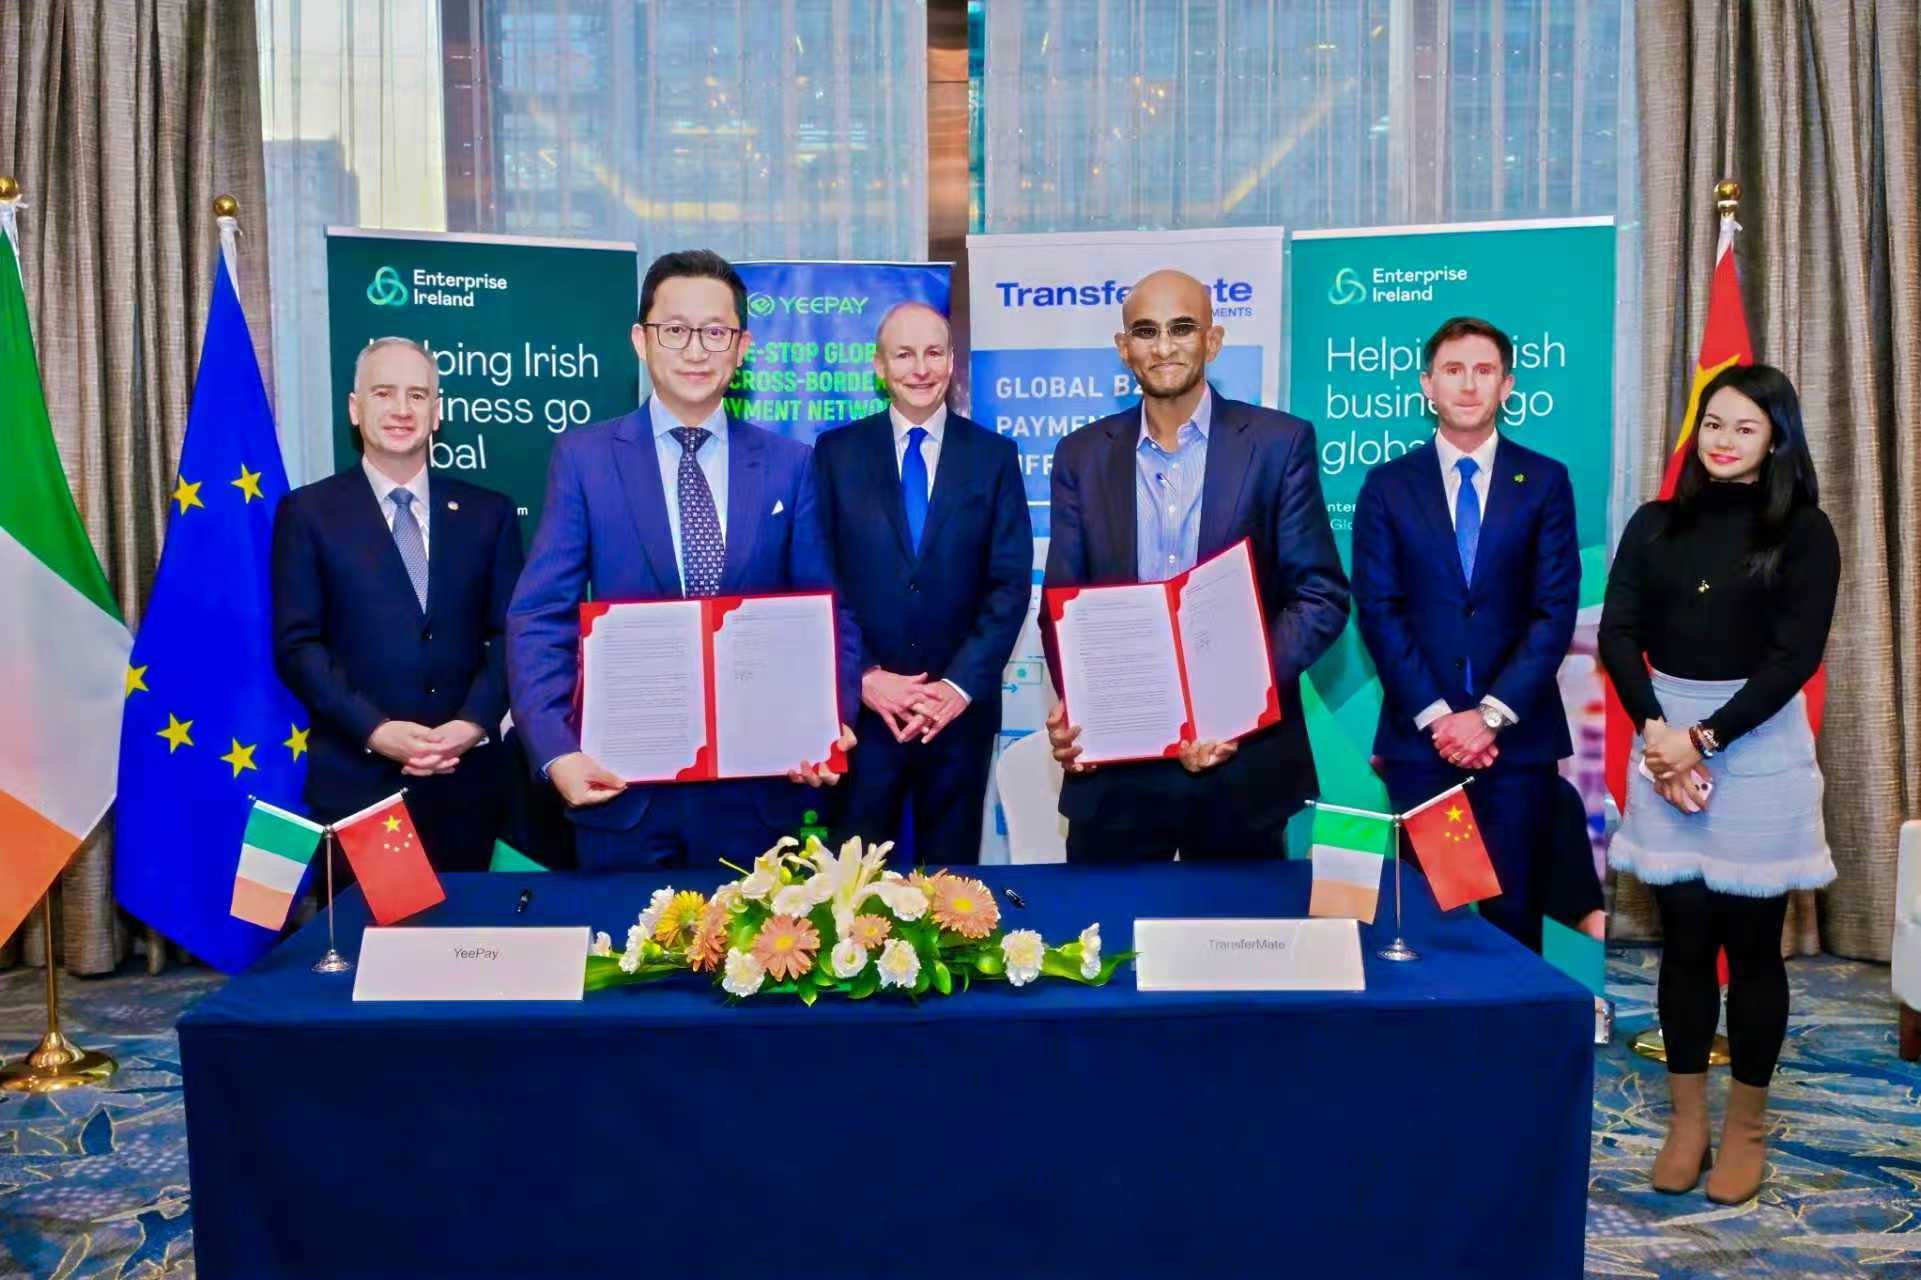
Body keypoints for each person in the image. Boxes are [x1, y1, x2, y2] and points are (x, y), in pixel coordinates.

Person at [505, 249, 857, 871]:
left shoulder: (790, 465)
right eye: (675, 330)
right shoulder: (585, 459)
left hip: (760, 795)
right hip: (621, 791)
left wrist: (829, 721)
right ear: (641, 340)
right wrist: (557, 751)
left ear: (742, 348)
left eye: (715, 332)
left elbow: (828, 614)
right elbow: (540, 616)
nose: (696, 350)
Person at [1600, 362, 1838, 1204]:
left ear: (1775, 439)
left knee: (1752, 945)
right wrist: (1658, 734)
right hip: (1662, 742)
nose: (1723, 440)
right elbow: (1618, 632)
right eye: (1712, 423)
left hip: (1755, 744)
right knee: (1685, 940)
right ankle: (1686, 1122)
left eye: (1744, 427)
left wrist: (1703, 739)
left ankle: (1745, 1129)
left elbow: (1793, 658)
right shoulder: (1654, 523)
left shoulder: (1803, 531)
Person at [1042, 269, 1349, 861]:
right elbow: (1064, 607)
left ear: (1213, 340)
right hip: (1118, 778)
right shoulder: (1080, 456)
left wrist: (1232, 701)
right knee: (1110, 924)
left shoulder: (1278, 444)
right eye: (1145, 331)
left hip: (1243, 768)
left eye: (1182, 328)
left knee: (1239, 923)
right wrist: (1083, 707)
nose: (1163, 346)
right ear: (1123, 347)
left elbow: (1320, 597)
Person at [1350, 316, 1581, 952]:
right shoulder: (1389, 487)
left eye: (1484, 371)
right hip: (1425, 750)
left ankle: (1514, 1024)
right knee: (1435, 921)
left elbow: (1553, 611)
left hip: (1516, 748)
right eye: (1454, 370)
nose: (1469, 385)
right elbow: (1379, 610)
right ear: (1428, 385)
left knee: (1513, 920)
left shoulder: (1544, 481)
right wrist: (1441, 720)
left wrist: (1490, 717)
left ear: (1507, 385)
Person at [272, 337, 525, 870]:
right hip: (360, 786)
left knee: (471, 925)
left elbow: (513, 634)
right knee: (368, 926)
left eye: (417, 395)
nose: (401, 409)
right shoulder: (308, 513)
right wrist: (376, 731)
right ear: (355, 408)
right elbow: (299, 646)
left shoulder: (489, 513)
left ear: (436, 412)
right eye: (383, 393)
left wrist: (473, 724)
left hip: (468, 788)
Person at [812, 302, 1031, 865]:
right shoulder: (835, 455)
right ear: (880, 366)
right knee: (851, 888)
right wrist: (862, 676)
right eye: (904, 354)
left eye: (934, 353)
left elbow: (1009, 585)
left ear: (952, 363)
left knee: (953, 890)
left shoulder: (994, 457)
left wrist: (956, 687)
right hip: (864, 716)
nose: (920, 368)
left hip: (957, 718)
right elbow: (819, 580)